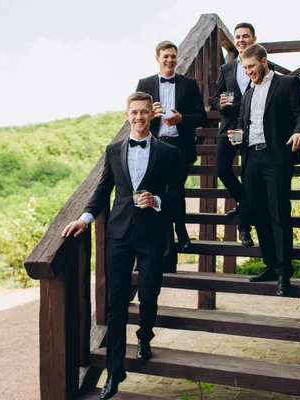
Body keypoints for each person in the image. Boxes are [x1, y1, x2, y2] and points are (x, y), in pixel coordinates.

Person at [62, 92, 183, 400]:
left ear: (151, 115)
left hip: (153, 234)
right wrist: (85, 219)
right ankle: (115, 372)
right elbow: (103, 190)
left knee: (149, 290)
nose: (139, 117)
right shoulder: (113, 150)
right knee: (115, 303)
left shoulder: (168, 152)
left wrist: (156, 200)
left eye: (144, 112)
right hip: (118, 235)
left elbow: (176, 196)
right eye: (134, 112)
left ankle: (144, 336)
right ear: (127, 115)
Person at [230, 44, 300, 296]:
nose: (249, 72)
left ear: (264, 61)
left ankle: (284, 273)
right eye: (245, 68)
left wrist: (299, 132)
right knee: (258, 214)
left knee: (279, 214)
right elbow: (245, 122)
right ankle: (269, 265)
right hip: (251, 157)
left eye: (252, 66)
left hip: (276, 157)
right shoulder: (248, 92)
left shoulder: (287, 84)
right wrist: (237, 135)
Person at [136, 40, 207, 272]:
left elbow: (202, 116)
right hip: (155, 146)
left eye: (173, 56)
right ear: (157, 58)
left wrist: (181, 119)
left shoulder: (189, 84)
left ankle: (179, 236)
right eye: (166, 56)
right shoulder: (144, 83)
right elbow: (136, 116)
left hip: (180, 147)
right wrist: (151, 115)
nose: (170, 60)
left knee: (175, 190)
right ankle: (173, 243)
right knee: (159, 194)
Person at [214, 22, 257, 247]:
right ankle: (246, 203)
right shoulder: (226, 68)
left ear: (254, 39)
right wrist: (220, 103)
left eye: (245, 36)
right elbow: (215, 98)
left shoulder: (262, 65)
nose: (240, 40)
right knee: (221, 168)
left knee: (249, 178)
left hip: (253, 129)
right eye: (237, 37)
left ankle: (244, 227)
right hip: (229, 126)